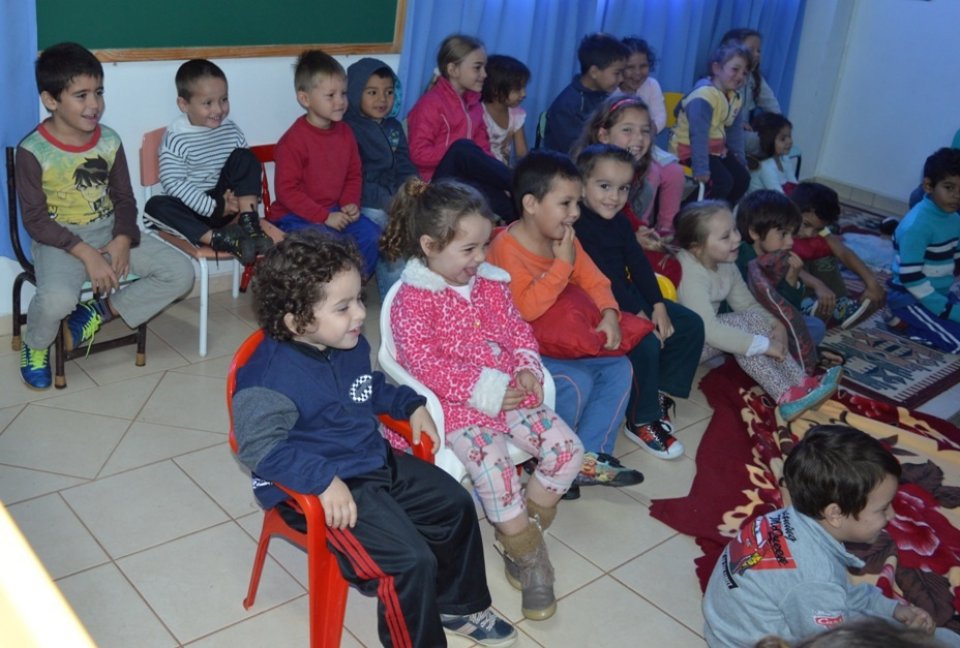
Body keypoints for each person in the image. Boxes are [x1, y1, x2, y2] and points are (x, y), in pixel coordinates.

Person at [232, 231, 518, 647]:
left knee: (455, 504)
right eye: (343, 307)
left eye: (360, 299)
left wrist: (409, 404)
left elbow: (368, 386)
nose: (360, 314)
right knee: (409, 561)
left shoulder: (345, 343)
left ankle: (457, 605)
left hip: (370, 461)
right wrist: (321, 481)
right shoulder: (267, 379)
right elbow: (259, 447)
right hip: (315, 490)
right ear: (297, 322)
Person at [384, 179, 583, 621]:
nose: (481, 259)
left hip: (515, 394)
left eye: (484, 246)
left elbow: (517, 330)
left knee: (569, 452)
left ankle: (521, 534)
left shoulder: (492, 283)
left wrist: (529, 364)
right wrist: (487, 389)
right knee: (494, 474)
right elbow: (422, 364)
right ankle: (531, 560)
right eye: (469, 250)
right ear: (430, 245)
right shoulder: (412, 300)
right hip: (459, 408)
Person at [15, 42, 194, 389]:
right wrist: (85, 254)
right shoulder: (32, 151)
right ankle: (35, 346)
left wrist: (123, 240)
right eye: (81, 95)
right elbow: (35, 220)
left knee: (180, 273)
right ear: (51, 101)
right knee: (58, 300)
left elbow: (125, 199)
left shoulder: (109, 141)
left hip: (109, 230)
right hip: (59, 241)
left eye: (98, 92)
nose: (94, 104)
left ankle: (99, 312)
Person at [702, 425, 945, 648]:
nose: (892, 516)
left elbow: (839, 592)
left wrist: (892, 609)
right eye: (883, 509)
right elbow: (830, 640)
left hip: (729, 630)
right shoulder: (816, 576)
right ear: (835, 514)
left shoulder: (784, 520)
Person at [487, 150, 642, 499]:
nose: (575, 213)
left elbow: (595, 279)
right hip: (519, 355)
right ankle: (546, 457)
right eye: (566, 203)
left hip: (560, 342)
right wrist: (561, 266)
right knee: (576, 382)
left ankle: (588, 458)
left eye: (576, 203)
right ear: (530, 203)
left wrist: (609, 312)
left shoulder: (566, 240)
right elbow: (524, 309)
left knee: (619, 368)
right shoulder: (505, 248)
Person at [573, 144, 704, 459]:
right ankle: (641, 420)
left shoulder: (618, 221)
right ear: (580, 185)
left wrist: (657, 305)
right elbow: (605, 281)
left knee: (688, 325)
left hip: (624, 297)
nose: (614, 197)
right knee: (645, 341)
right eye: (604, 186)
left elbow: (638, 264)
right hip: (595, 305)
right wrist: (642, 315)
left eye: (622, 189)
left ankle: (655, 393)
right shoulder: (577, 224)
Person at [674, 201, 841, 422]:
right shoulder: (688, 270)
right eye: (725, 237)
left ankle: (802, 384)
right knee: (747, 333)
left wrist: (776, 325)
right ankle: (786, 396)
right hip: (679, 348)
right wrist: (763, 344)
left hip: (703, 338)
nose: (736, 238)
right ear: (696, 247)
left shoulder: (725, 263)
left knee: (751, 319)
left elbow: (747, 305)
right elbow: (708, 330)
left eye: (734, 229)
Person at [144, 59, 271, 266]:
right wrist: (213, 207)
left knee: (246, 157)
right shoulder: (177, 137)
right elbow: (173, 182)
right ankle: (220, 240)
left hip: (227, 202)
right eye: (208, 103)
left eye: (224, 99)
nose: (219, 109)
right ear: (184, 104)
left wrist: (233, 202)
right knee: (155, 206)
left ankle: (250, 224)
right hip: (194, 210)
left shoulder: (231, 130)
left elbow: (244, 171)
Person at [269, 50, 381, 279]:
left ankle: (350, 289)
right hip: (293, 216)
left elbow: (353, 174)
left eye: (343, 93)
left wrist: (350, 203)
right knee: (327, 244)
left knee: (372, 235)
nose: (340, 101)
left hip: (334, 212)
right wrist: (323, 217)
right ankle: (323, 296)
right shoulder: (292, 141)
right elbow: (287, 191)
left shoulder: (346, 133)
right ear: (305, 99)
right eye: (331, 95)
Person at [407, 34, 515, 220]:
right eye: (477, 68)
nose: (484, 75)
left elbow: (483, 154)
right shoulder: (430, 104)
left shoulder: (474, 106)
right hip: (433, 185)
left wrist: (497, 179)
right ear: (453, 69)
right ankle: (521, 181)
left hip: (465, 180)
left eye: (484, 68)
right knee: (462, 148)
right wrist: (456, 153)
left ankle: (522, 207)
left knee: (506, 202)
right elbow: (418, 154)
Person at [343, 57, 419, 298]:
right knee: (390, 234)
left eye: (388, 92)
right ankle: (395, 299)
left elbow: (405, 165)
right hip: (367, 203)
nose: (382, 99)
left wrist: (413, 189)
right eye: (372, 92)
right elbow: (356, 178)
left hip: (394, 197)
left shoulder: (394, 127)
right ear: (355, 93)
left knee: (424, 219)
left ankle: (418, 291)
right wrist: (392, 203)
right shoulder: (348, 130)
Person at [614, 37, 688, 238]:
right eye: (630, 67)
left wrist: (644, 134)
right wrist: (641, 133)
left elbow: (660, 117)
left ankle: (666, 229)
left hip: (647, 146)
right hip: (621, 150)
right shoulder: (613, 90)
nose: (637, 73)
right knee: (651, 173)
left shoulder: (651, 85)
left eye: (643, 66)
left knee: (675, 172)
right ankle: (641, 228)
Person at [888, 147, 960, 352]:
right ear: (928, 186)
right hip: (909, 297)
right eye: (949, 187)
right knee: (957, 343)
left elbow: (956, 254)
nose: (956, 196)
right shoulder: (917, 226)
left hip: (939, 291)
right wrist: (945, 310)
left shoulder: (954, 219)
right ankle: (907, 324)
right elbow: (911, 278)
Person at [735, 190, 827, 347]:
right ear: (755, 232)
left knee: (816, 327)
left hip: (772, 322)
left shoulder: (780, 259)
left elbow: (790, 312)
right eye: (783, 234)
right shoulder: (739, 260)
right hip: (743, 322)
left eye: (792, 235)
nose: (790, 242)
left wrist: (792, 280)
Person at [789, 182, 884, 329]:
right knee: (794, 262)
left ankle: (838, 305)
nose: (809, 233)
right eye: (806, 224)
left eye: (818, 229)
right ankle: (804, 306)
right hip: (783, 275)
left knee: (824, 252)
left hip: (804, 275)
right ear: (792, 210)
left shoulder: (814, 229)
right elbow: (781, 262)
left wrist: (871, 282)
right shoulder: (779, 223)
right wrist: (817, 284)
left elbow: (843, 252)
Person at [669, 42, 752, 205]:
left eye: (745, 72)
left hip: (715, 151)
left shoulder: (735, 98)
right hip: (690, 150)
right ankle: (688, 216)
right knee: (722, 182)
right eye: (735, 69)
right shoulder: (703, 96)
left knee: (742, 178)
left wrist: (741, 161)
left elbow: (735, 133)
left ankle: (721, 216)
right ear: (716, 69)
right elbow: (698, 135)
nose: (740, 76)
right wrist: (701, 167)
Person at [542, 33, 629, 155]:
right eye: (617, 73)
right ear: (594, 72)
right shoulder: (567, 106)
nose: (621, 79)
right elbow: (578, 151)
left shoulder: (602, 96)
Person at [721, 28, 785, 157]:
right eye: (751, 50)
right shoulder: (725, 78)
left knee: (780, 138)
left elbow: (772, 105)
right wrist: (738, 123)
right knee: (769, 143)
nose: (756, 55)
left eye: (759, 51)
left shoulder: (755, 78)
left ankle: (780, 175)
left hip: (743, 131)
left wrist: (777, 127)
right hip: (724, 133)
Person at [481, 54, 530, 166]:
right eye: (518, 89)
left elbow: (522, 153)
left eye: (524, 88)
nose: (524, 94)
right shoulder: (479, 113)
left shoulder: (517, 114)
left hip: (503, 172)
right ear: (496, 90)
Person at [748, 113, 798, 194]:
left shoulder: (784, 158)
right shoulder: (765, 167)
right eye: (783, 139)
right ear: (768, 140)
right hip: (762, 204)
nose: (790, 141)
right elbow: (780, 197)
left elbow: (794, 183)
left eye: (790, 136)